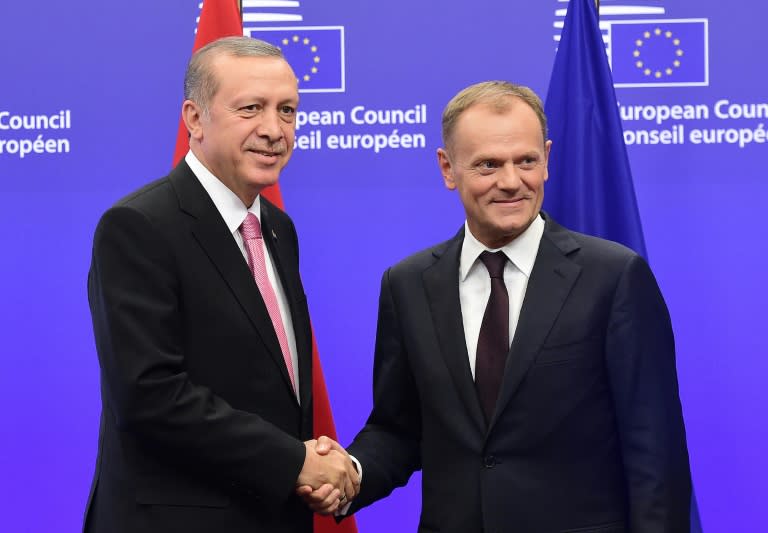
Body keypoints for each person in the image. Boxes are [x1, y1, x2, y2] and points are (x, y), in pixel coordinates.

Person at [305, 81, 692, 532]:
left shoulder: (614, 276)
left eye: (526, 161)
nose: (511, 182)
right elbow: (398, 429)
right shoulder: (408, 285)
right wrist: (351, 474)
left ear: (547, 158)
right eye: (488, 164)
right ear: (448, 168)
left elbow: (655, 453)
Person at [83, 36, 358, 533]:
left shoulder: (278, 228)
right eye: (251, 108)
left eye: (288, 110)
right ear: (194, 118)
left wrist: (308, 465)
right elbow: (150, 397)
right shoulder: (138, 226)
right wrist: (295, 461)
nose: (274, 130)